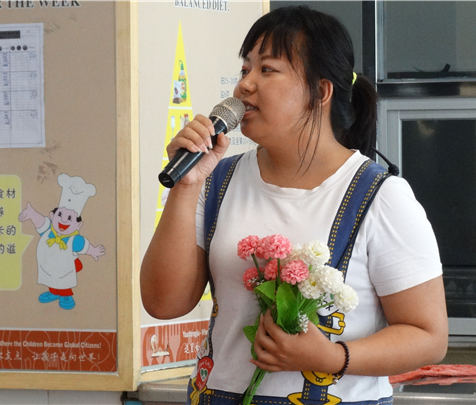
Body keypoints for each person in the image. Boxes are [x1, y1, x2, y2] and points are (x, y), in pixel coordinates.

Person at [141, 6, 448, 405]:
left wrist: (332, 358)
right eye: (245, 69)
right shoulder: (215, 180)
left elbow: (428, 336)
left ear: (321, 92)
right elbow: (163, 304)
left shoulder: (380, 196)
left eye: (267, 70)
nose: (244, 85)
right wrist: (185, 187)